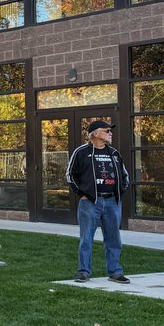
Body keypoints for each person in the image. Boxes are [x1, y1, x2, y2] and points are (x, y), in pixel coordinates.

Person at [67, 120, 131, 284]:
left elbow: (124, 176)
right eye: (107, 131)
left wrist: (119, 193)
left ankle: (115, 272)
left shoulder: (114, 154)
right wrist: (81, 193)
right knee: (86, 239)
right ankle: (83, 272)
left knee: (113, 239)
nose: (110, 133)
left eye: (110, 131)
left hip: (112, 202)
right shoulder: (81, 152)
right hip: (90, 203)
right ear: (95, 133)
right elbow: (70, 174)